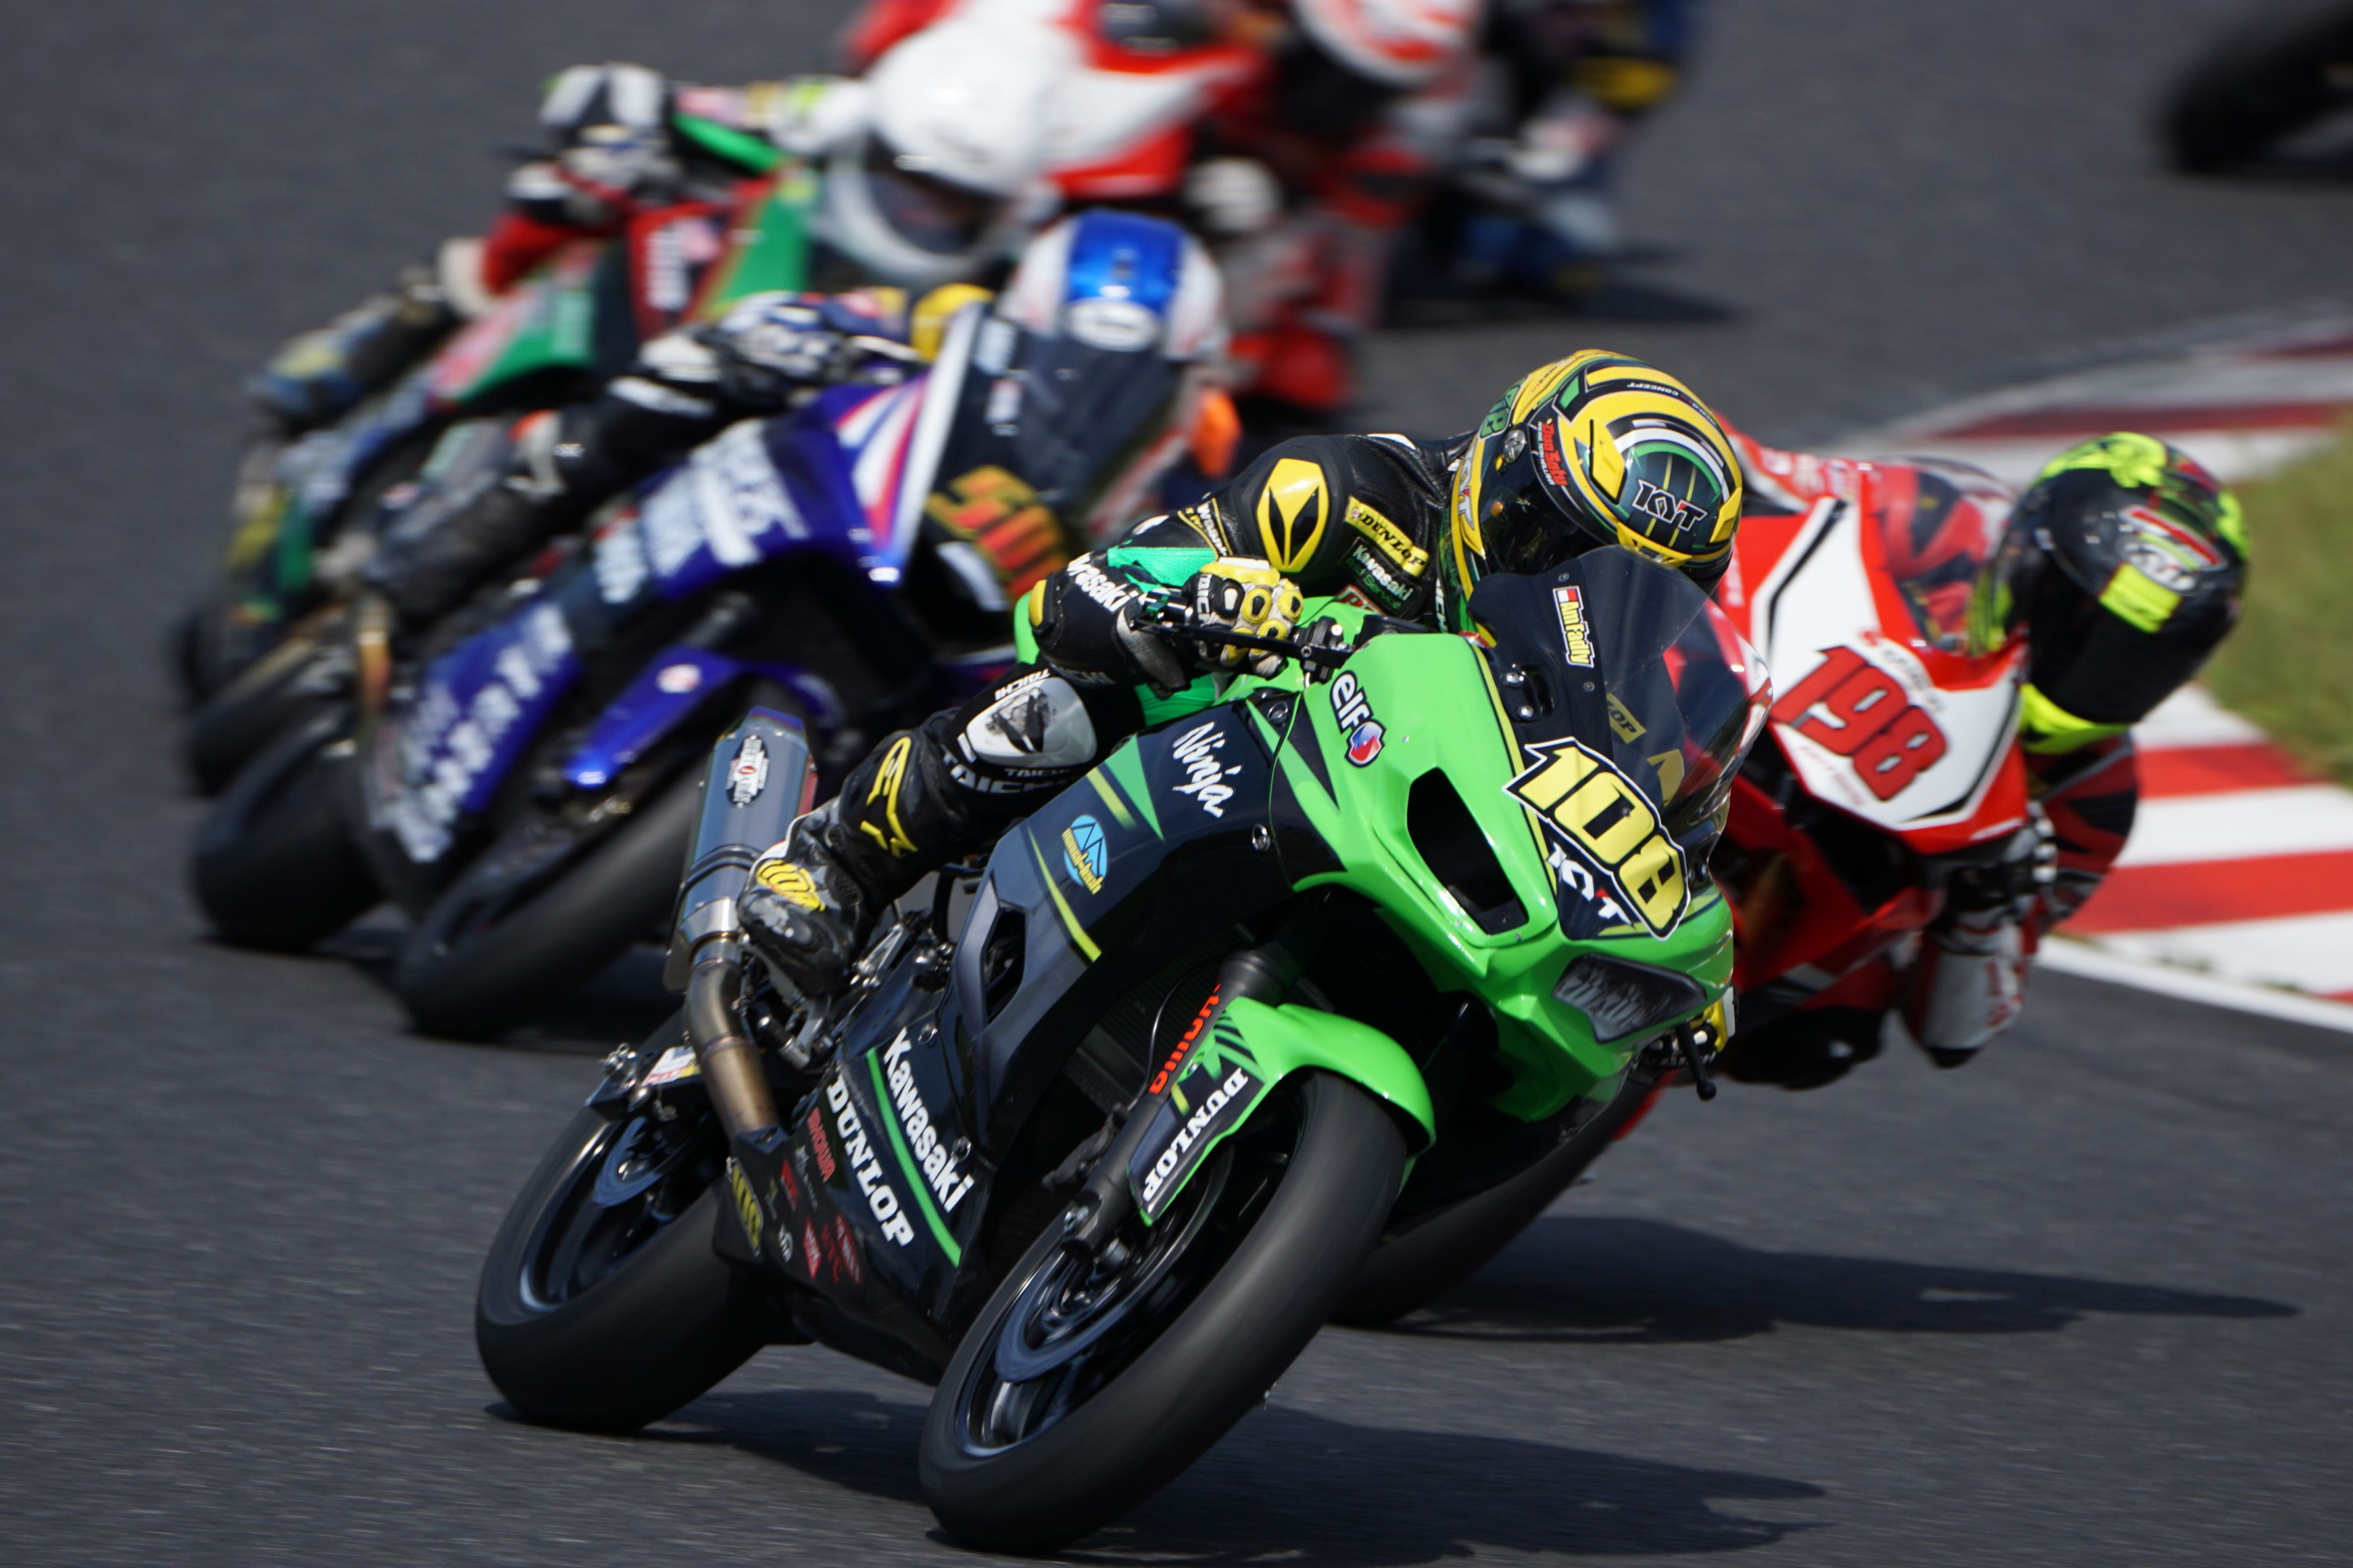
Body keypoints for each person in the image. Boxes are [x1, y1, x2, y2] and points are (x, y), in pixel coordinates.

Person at [735, 347, 1745, 994]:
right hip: (1203, 749)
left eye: (1633, 591)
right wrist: (1216, 600)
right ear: (1500, 473)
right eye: (1557, 547)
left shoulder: (1627, 696)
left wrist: (1690, 967)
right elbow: (1072, 599)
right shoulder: (1347, 492)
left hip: (1390, 847)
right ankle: (841, 861)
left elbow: (1667, 843)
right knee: (1071, 699)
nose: (1573, 592)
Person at [360, 207, 1230, 628]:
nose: (1087, 391)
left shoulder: (1204, 453)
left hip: (988, 611)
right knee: (690, 373)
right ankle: (490, 526)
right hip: (857, 494)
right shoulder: (957, 316)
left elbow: (1212, 546)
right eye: (1064, 356)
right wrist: (802, 335)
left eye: (1134, 382)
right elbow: (849, 315)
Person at [1724, 430, 2248, 1088]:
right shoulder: (1933, 517)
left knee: (1824, 1035)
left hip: (1833, 892)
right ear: (2026, 562)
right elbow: (1762, 466)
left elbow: (1959, 1029)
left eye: (2134, 663)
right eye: (2078, 627)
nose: (2098, 672)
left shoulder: (2094, 795)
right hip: (1747, 699)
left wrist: (1990, 900)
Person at [251, 20, 1076, 433]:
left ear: (1001, 205)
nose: (918, 212)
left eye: (952, 202)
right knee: (574, 190)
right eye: (902, 179)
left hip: (832, 396)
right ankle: (409, 320)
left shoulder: (1032, 249)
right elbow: (625, 97)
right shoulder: (824, 112)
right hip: (731, 286)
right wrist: (619, 123)